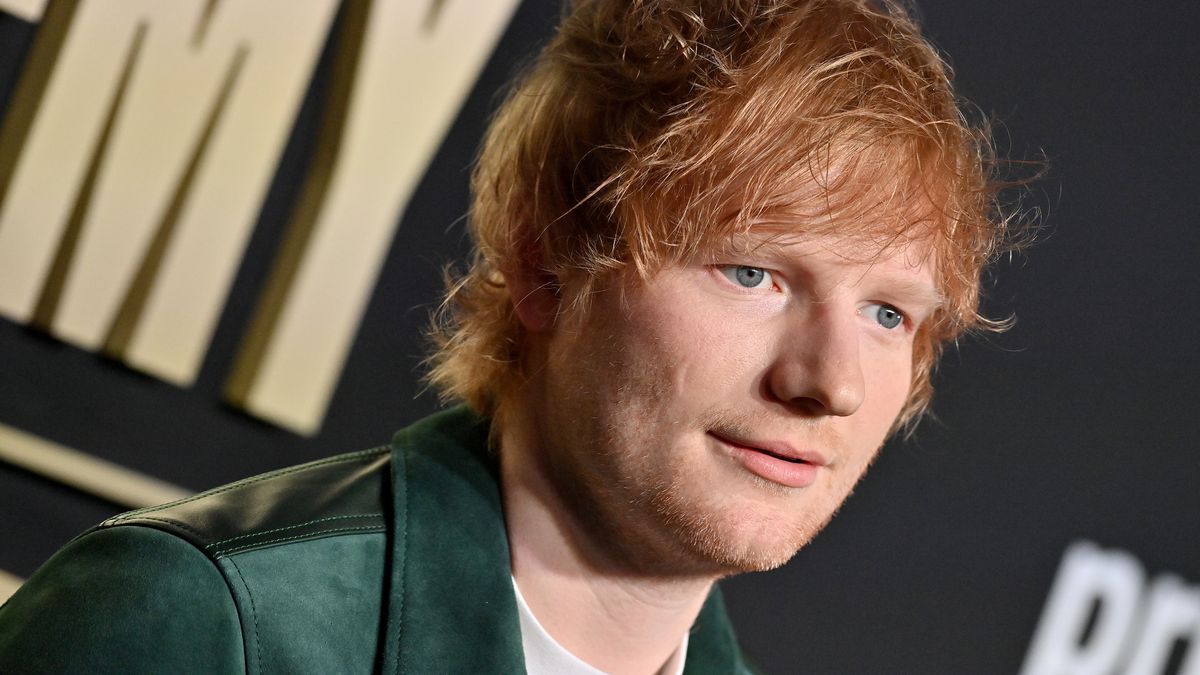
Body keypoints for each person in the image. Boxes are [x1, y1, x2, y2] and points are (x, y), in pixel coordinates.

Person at [0, 0, 1015, 672]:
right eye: (752, 272)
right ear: (545, 267)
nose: (829, 382)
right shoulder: (204, 628)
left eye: (889, 313)